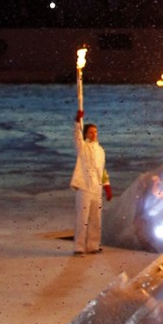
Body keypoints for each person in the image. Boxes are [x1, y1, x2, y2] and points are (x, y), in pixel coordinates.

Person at [70, 109, 110, 255]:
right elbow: (76, 137)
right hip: (84, 187)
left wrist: (107, 186)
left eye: (95, 132)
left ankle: (93, 245)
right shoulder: (83, 147)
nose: (94, 134)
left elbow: (102, 169)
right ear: (86, 133)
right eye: (91, 132)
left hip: (96, 188)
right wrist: (77, 122)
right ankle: (79, 247)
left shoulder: (100, 150)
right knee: (83, 218)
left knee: (96, 219)